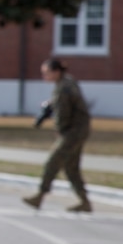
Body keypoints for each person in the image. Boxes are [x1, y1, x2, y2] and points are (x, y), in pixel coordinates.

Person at [22, 58, 92, 212]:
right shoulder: (67, 82)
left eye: (46, 73)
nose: (44, 76)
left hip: (72, 132)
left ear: (56, 72)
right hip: (79, 130)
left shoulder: (63, 88)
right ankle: (84, 201)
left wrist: (60, 130)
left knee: (52, 162)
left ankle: (40, 195)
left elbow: (63, 113)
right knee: (71, 167)